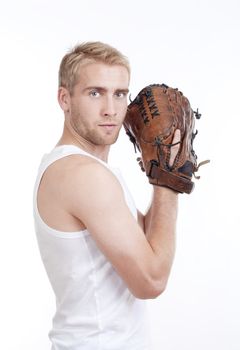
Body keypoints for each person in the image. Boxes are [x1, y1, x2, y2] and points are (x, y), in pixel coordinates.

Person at [33, 41, 180, 350]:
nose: (111, 109)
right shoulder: (84, 175)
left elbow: (145, 244)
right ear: (65, 98)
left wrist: (163, 168)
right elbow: (151, 281)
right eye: (95, 93)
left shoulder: (91, 171)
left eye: (120, 93)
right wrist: (170, 179)